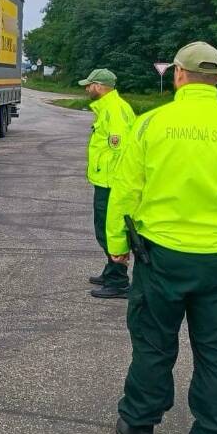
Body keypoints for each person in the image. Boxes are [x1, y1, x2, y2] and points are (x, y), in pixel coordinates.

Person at [106, 42, 217, 434]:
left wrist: (116, 244)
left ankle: (139, 425)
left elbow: (126, 190)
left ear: (178, 74)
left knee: (154, 343)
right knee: (215, 353)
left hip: (162, 258)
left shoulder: (151, 124)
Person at [77, 68, 135, 299]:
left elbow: (119, 149)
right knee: (107, 229)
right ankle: (111, 270)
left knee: (109, 231)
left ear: (99, 86)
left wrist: (117, 183)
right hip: (107, 180)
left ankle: (118, 280)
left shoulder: (114, 110)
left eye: (89, 85)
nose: (87, 89)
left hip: (112, 183)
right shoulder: (110, 108)